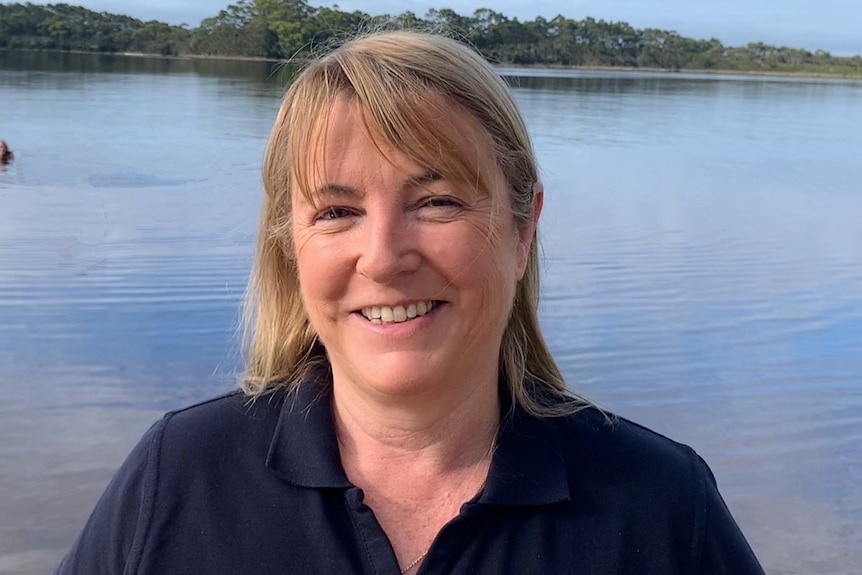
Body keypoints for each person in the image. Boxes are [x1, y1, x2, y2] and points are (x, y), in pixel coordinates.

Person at [56, 30, 765, 574]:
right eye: (336, 211)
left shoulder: (662, 505)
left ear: (522, 231)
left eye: (437, 201)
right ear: (289, 246)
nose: (385, 256)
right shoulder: (178, 477)